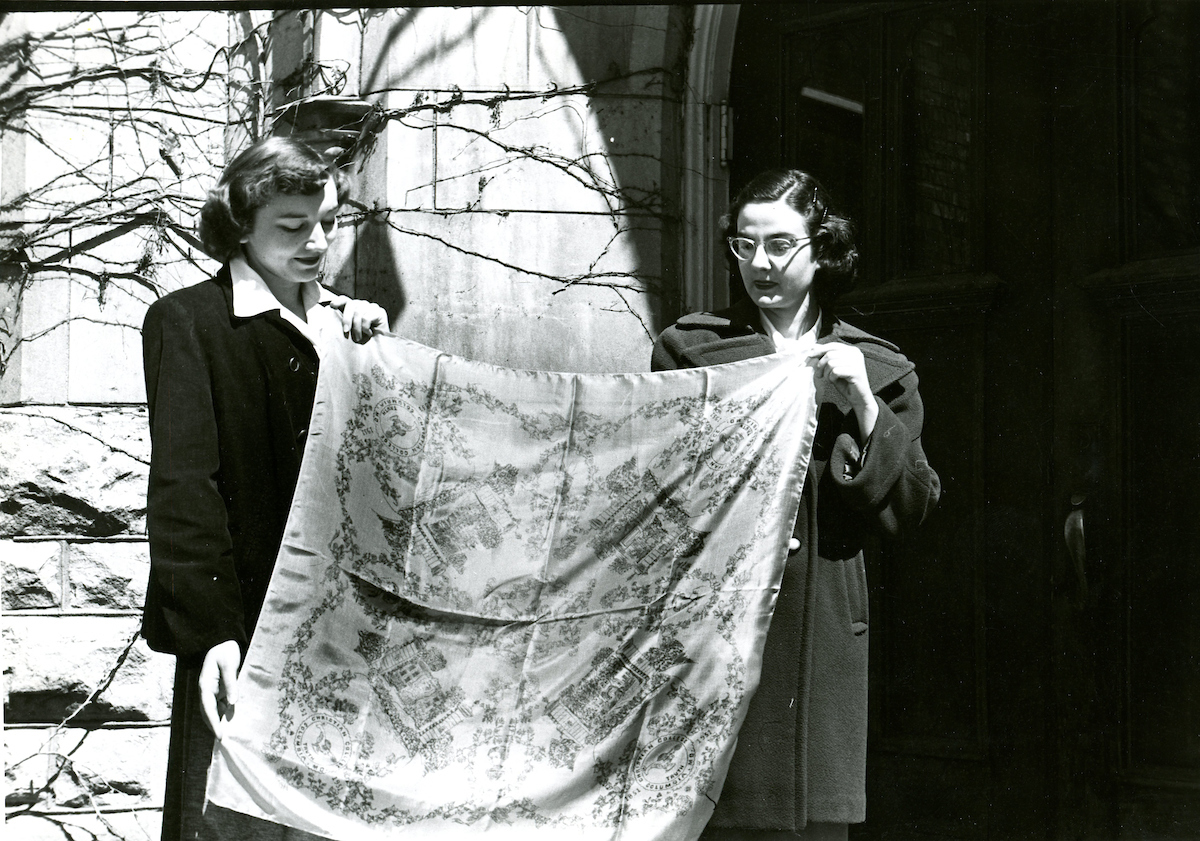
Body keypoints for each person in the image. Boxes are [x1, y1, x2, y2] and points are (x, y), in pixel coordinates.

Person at [652, 169, 941, 840]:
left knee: (814, 825)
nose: (760, 264)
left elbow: (915, 506)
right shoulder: (691, 353)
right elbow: (654, 496)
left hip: (825, 642)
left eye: (780, 244)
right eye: (743, 245)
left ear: (823, 247)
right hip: (719, 642)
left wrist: (865, 404)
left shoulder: (877, 367)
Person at [141, 135, 389, 841]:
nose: (316, 241)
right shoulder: (190, 321)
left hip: (346, 631)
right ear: (240, 226)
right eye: (291, 226)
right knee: (228, 820)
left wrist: (376, 356)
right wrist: (212, 631)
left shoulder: (349, 326)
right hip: (242, 625)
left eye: (329, 223)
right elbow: (186, 487)